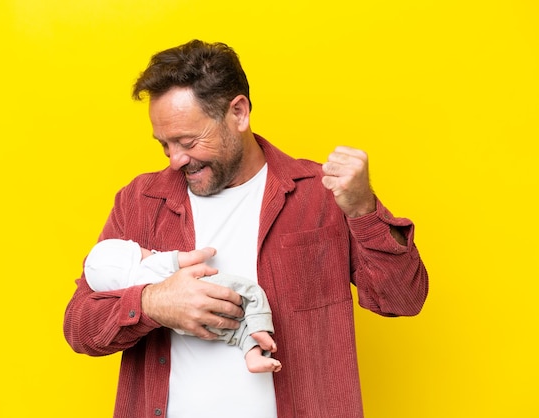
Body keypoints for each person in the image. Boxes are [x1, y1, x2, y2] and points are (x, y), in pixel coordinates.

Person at [63, 39, 429, 418]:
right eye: (164, 145)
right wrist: (153, 303)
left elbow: (402, 299)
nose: (175, 160)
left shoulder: (318, 194)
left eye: (187, 141)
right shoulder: (141, 200)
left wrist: (363, 210)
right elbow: (79, 325)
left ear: (238, 113)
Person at [83, 238, 282, 373]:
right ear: (133, 254)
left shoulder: (130, 289)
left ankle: (252, 356)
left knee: (234, 334)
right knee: (251, 293)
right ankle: (260, 328)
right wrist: (208, 251)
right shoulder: (153, 262)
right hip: (209, 288)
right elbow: (192, 258)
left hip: (185, 328)